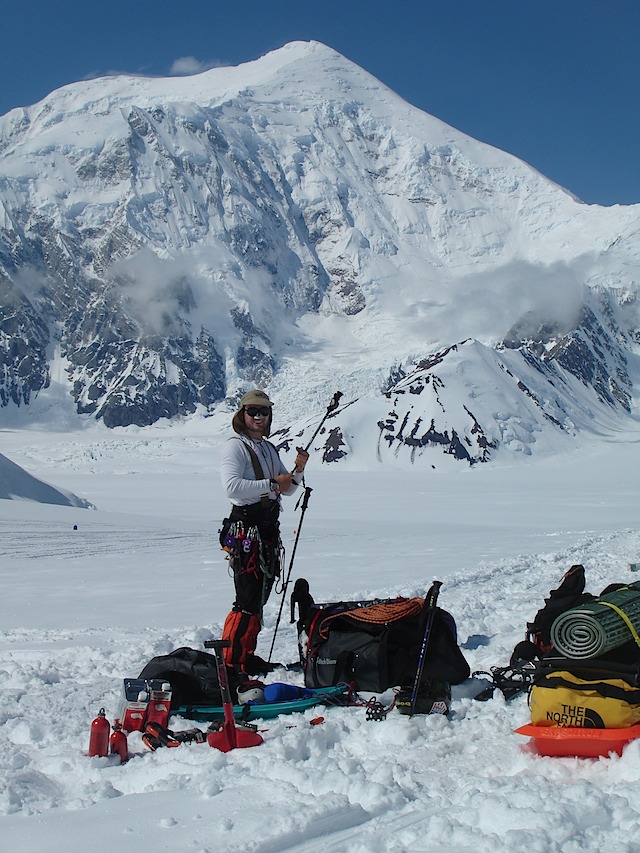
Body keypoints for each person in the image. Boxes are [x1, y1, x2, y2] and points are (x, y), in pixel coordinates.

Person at [218, 389, 309, 674]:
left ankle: (245, 655)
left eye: (264, 412)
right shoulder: (235, 447)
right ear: (242, 414)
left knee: (259, 595)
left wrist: (298, 470)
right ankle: (233, 660)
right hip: (246, 529)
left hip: (266, 529)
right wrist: (272, 484)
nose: (258, 417)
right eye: (253, 411)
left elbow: (289, 488)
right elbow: (232, 487)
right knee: (246, 597)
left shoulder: (268, 448)